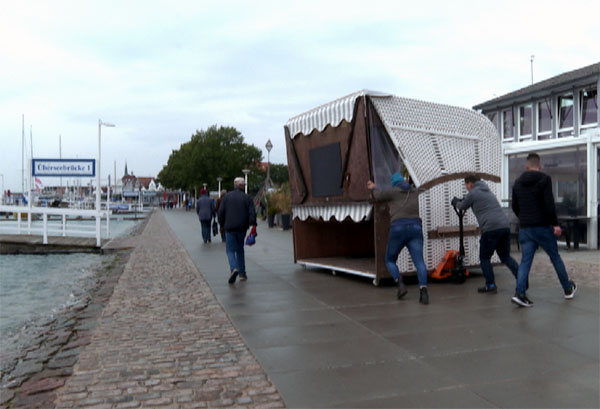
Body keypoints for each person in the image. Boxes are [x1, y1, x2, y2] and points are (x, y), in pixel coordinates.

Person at [511, 153, 577, 307]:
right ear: (539, 166)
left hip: (526, 228)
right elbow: (549, 204)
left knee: (525, 262)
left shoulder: (517, 183)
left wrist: (524, 218)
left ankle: (520, 293)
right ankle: (567, 289)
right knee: (555, 257)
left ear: (526, 167)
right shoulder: (544, 179)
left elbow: (515, 206)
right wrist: (555, 224)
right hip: (543, 228)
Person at [367, 173, 429, 304]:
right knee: (419, 262)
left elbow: (378, 196)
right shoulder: (414, 191)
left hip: (398, 228)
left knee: (390, 260)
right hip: (415, 228)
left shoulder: (393, 191)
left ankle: (400, 283)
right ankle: (423, 291)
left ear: (394, 183)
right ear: (404, 181)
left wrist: (373, 187)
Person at [451, 175, 520, 293]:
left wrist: (456, 201)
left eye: (466, 185)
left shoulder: (473, 193)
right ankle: (522, 278)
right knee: (505, 256)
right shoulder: (488, 192)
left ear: (470, 184)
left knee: (484, 258)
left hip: (491, 229)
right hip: (504, 226)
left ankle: (491, 285)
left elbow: (462, 206)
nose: (467, 188)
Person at [218, 177, 257, 284]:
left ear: (234, 185)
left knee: (230, 250)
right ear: (243, 186)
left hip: (229, 227)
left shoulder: (227, 197)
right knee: (240, 249)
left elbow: (221, 212)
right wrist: (253, 224)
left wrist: (221, 224)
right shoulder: (247, 198)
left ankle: (234, 268)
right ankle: (242, 273)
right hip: (242, 228)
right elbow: (252, 212)